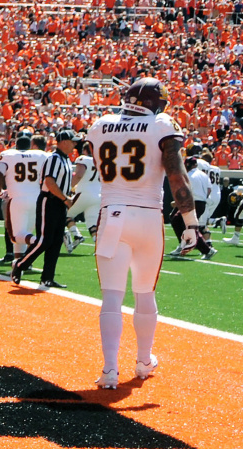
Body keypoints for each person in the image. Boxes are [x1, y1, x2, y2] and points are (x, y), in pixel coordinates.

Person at [85, 77, 197, 389]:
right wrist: (191, 222)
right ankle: (144, 361)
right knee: (145, 292)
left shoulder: (101, 124)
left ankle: (109, 370)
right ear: (154, 103)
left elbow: (97, 159)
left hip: (112, 213)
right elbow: (176, 176)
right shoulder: (161, 124)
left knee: (111, 296)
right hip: (148, 216)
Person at [12, 129, 77, 288]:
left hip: (59, 201)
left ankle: (47, 277)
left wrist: (68, 196)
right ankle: (20, 265)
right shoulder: (54, 158)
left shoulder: (66, 159)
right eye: (72, 141)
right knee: (45, 240)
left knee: (55, 241)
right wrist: (65, 198)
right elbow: (49, 181)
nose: (75, 144)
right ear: (63, 142)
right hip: (49, 201)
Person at [0, 132, 49, 271]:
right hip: (36, 199)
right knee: (25, 232)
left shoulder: (9, 155)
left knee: (16, 235)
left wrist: (0, 192)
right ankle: (20, 263)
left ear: (15, 145)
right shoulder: (41, 155)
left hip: (17, 198)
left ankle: (42, 242)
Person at [169, 156, 216, 260]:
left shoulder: (189, 175)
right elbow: (209, 190)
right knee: (178, 221)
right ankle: (184, 244)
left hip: (191, 203)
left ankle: (206, 250)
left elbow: (185, 192)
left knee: (188, 226)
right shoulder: (204, 175)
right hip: (201, 203)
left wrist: (177, 203)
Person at [65, 142, 97, 250]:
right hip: (98, 195)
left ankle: (77, 235)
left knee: (65, 214)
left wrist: (68, 188)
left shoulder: (83, 159)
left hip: (84, 193)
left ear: (85, 150)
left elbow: (78, 175)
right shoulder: (101, 161)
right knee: (92, 223)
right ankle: (99, 247)